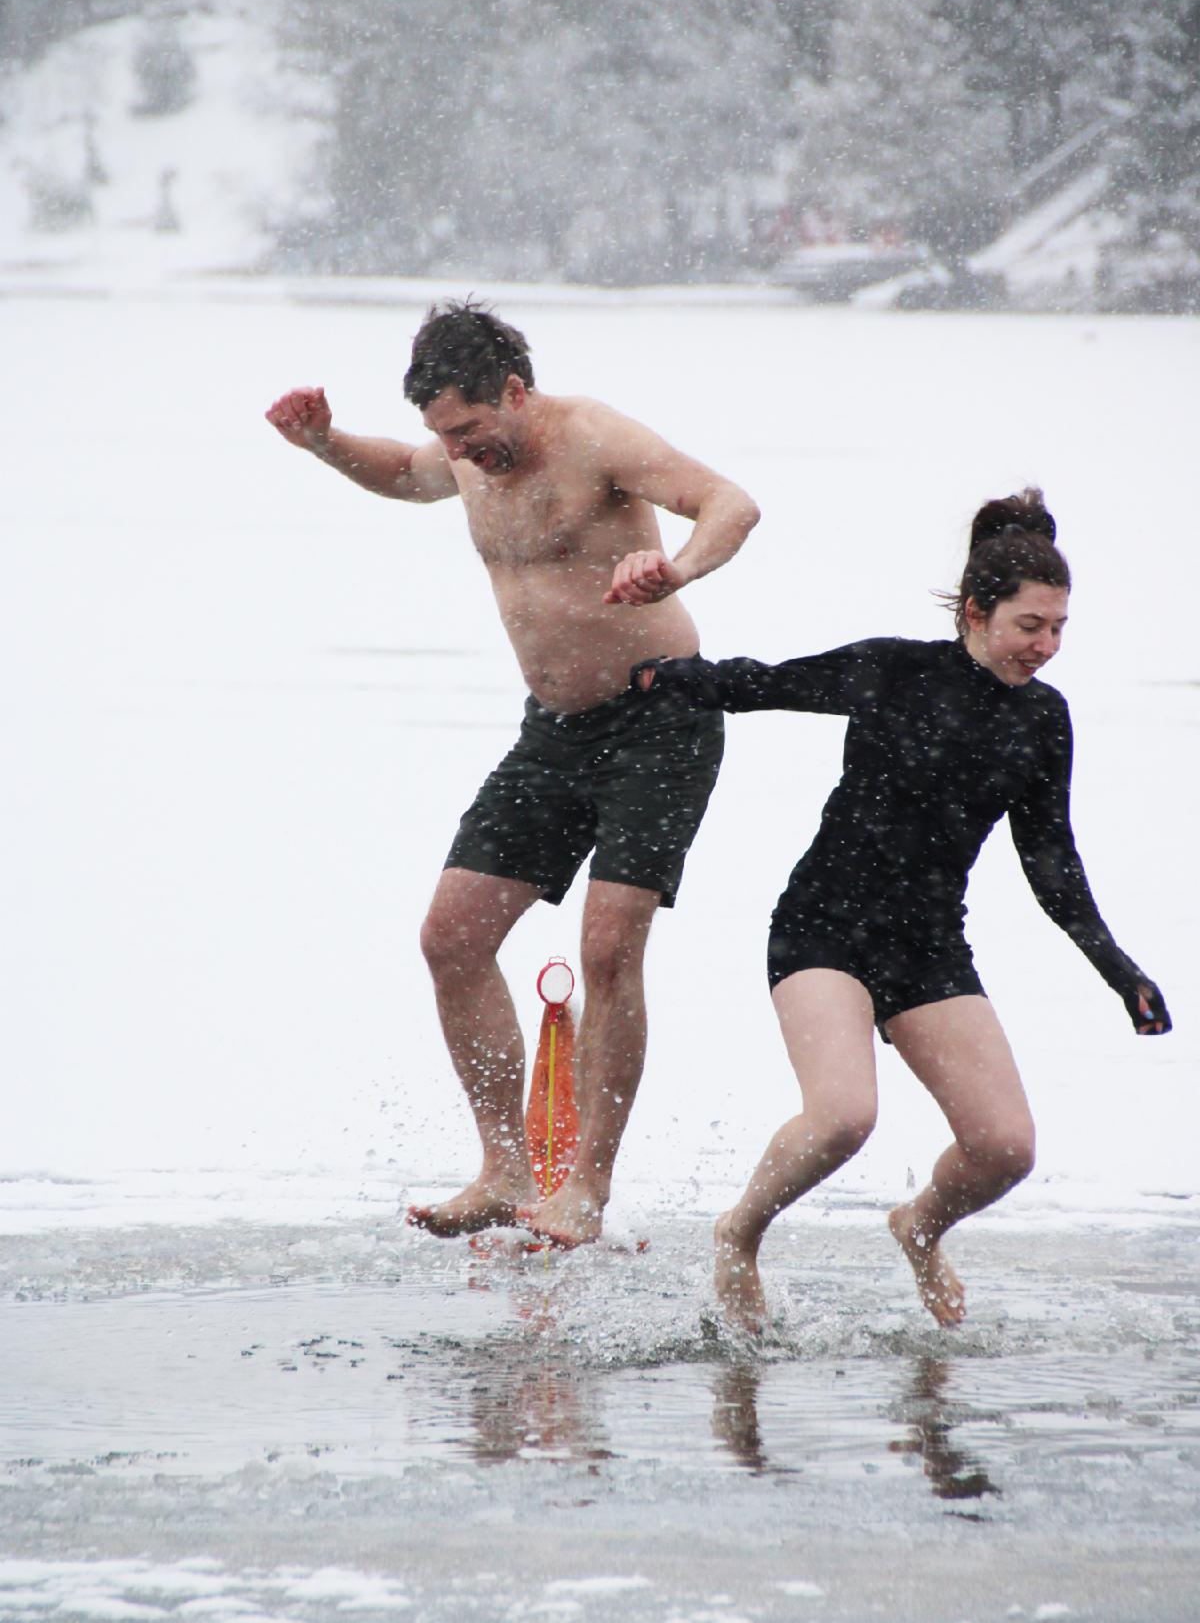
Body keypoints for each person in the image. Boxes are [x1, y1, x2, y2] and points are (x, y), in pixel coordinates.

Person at [265, 300, 760, 1247]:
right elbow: (407, 477)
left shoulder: (595, 437)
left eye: (470, 428)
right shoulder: (455, 453)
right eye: (444, 433)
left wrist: (680, 568)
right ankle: (505, 1169)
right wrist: (323, 442)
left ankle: (585, 1187)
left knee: (609, 948)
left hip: (664, 720)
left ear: (515, 391)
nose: (459, 450)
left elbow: (732, 503)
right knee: (451, 938)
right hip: (554, 735)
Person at [634, 490, 1170, 1330]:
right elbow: (767, 684)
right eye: (1032, 625)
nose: (1048, 646)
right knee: (845, 1116)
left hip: (927, 948)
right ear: (976, 611)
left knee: (1005, 1149)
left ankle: (919, 1226)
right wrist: (669, 678)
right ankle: (739, 1232)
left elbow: (1053, 864)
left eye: (1060, 627)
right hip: (823, 929)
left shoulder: (1043, 720)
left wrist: (1120, 972)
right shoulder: (894, 670)